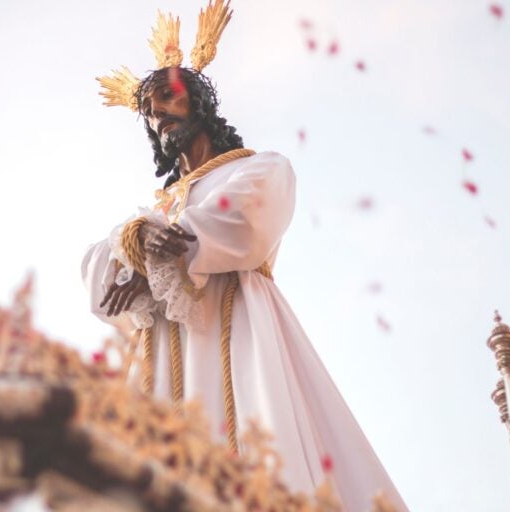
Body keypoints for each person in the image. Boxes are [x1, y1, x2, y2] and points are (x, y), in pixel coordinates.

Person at [82, 3, 407, 510]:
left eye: (167, 96)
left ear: (199, 102)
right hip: (163, 347)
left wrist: (164, 241)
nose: (157, 113)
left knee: (255, 456)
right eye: (147, 108)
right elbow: (102, 280)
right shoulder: (155, 209)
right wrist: (138, 239)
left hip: (239, 328)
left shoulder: (260, 168)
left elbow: (245, 221)